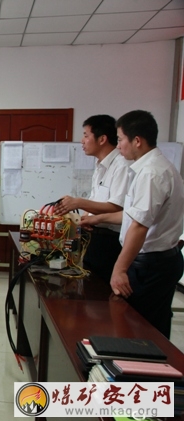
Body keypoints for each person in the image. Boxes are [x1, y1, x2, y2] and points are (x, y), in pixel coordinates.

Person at [81, 110, 184, 338]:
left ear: (137, 141)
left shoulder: (151, 173)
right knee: (149, 327)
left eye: (120, 140)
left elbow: (139, 226)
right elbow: (130, 216)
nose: (118, 146)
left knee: (138, 330)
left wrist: (119, 269)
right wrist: (97, 218)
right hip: (158, 261)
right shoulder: (152, 168)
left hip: (151, 265)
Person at [55, 115, 131, 282]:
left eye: (86, 135)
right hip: (94, 236)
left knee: (101, 289)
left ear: (102, 139)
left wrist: (78, 202)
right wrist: (86, 217)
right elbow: (98, 200)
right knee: (90, 285)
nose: (82, 141)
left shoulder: (121, 165)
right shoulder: (100, 166)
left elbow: (117, 207)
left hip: (111, 240)